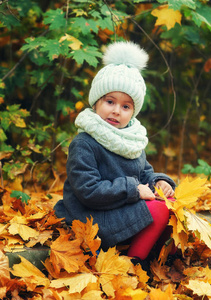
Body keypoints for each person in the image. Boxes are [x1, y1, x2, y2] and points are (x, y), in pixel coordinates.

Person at [54, 41, 176, 261]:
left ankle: (159, 257)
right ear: (96, 103)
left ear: (133, 113)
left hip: (120, 205)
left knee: (171, 206)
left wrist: (159, 182)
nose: (116, 111)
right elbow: (88, 190)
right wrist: (134, 190)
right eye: (110, 101)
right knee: (157, 211)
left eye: (126, 106)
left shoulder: (130, 139)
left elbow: (144, 172)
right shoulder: (85, 143)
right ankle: (134, 265)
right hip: (90, 216)